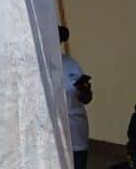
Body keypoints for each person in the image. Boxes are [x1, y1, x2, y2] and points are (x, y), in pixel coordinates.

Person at [60, 25, 92, 169]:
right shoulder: (37, 66)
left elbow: (86, 98)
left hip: (75, 129)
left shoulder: (71, 64)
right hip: (52, 133)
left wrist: (84, 90)